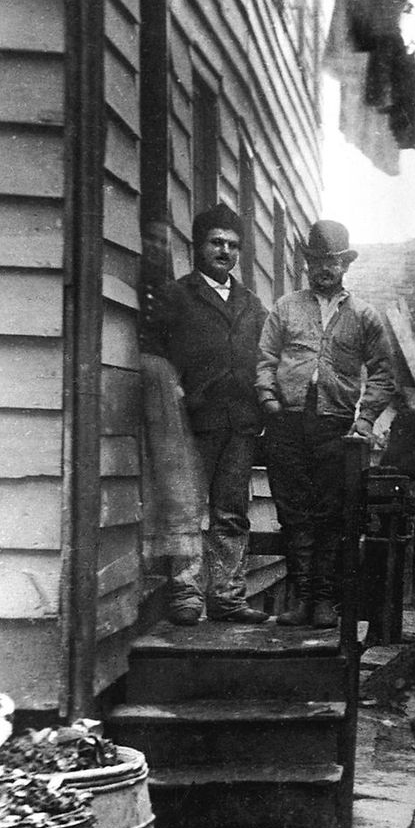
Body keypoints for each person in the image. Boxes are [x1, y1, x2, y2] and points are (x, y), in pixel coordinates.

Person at [257, 220, 395, 628]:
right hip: (287, 423)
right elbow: (265, 359)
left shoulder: (364, 316)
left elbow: (383, 374)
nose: (323, 268)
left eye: (332, 261)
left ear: (345, 264)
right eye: (316, 260)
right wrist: (269, 399)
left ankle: (323, 601)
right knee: (293, 510)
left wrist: (364, 420)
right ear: (307, 263)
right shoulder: (286, 307)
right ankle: (301, 599)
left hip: (335, 426)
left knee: (331, 513)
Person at [152, 204, 269, 625]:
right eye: (216, 243)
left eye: (233, 245)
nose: (224, 251)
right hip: (192, 422)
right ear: (198, 247)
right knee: (187, 509)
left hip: (240, 423)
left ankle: (227, 596)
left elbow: (267, 357)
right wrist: (176, 389)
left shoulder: (251, 304)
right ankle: (186, 594)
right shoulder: (177, 295)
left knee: (231, 512)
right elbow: (156, 353)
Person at [137, 218, 208, 611]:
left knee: (177, 478)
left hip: (167, 391)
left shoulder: (177, 294)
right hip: (131, 386)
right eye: (149, 240)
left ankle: (184, 583)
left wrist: (181, 382)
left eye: (164, 243)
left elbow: (189, 346)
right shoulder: (127, 287)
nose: (156, 249)